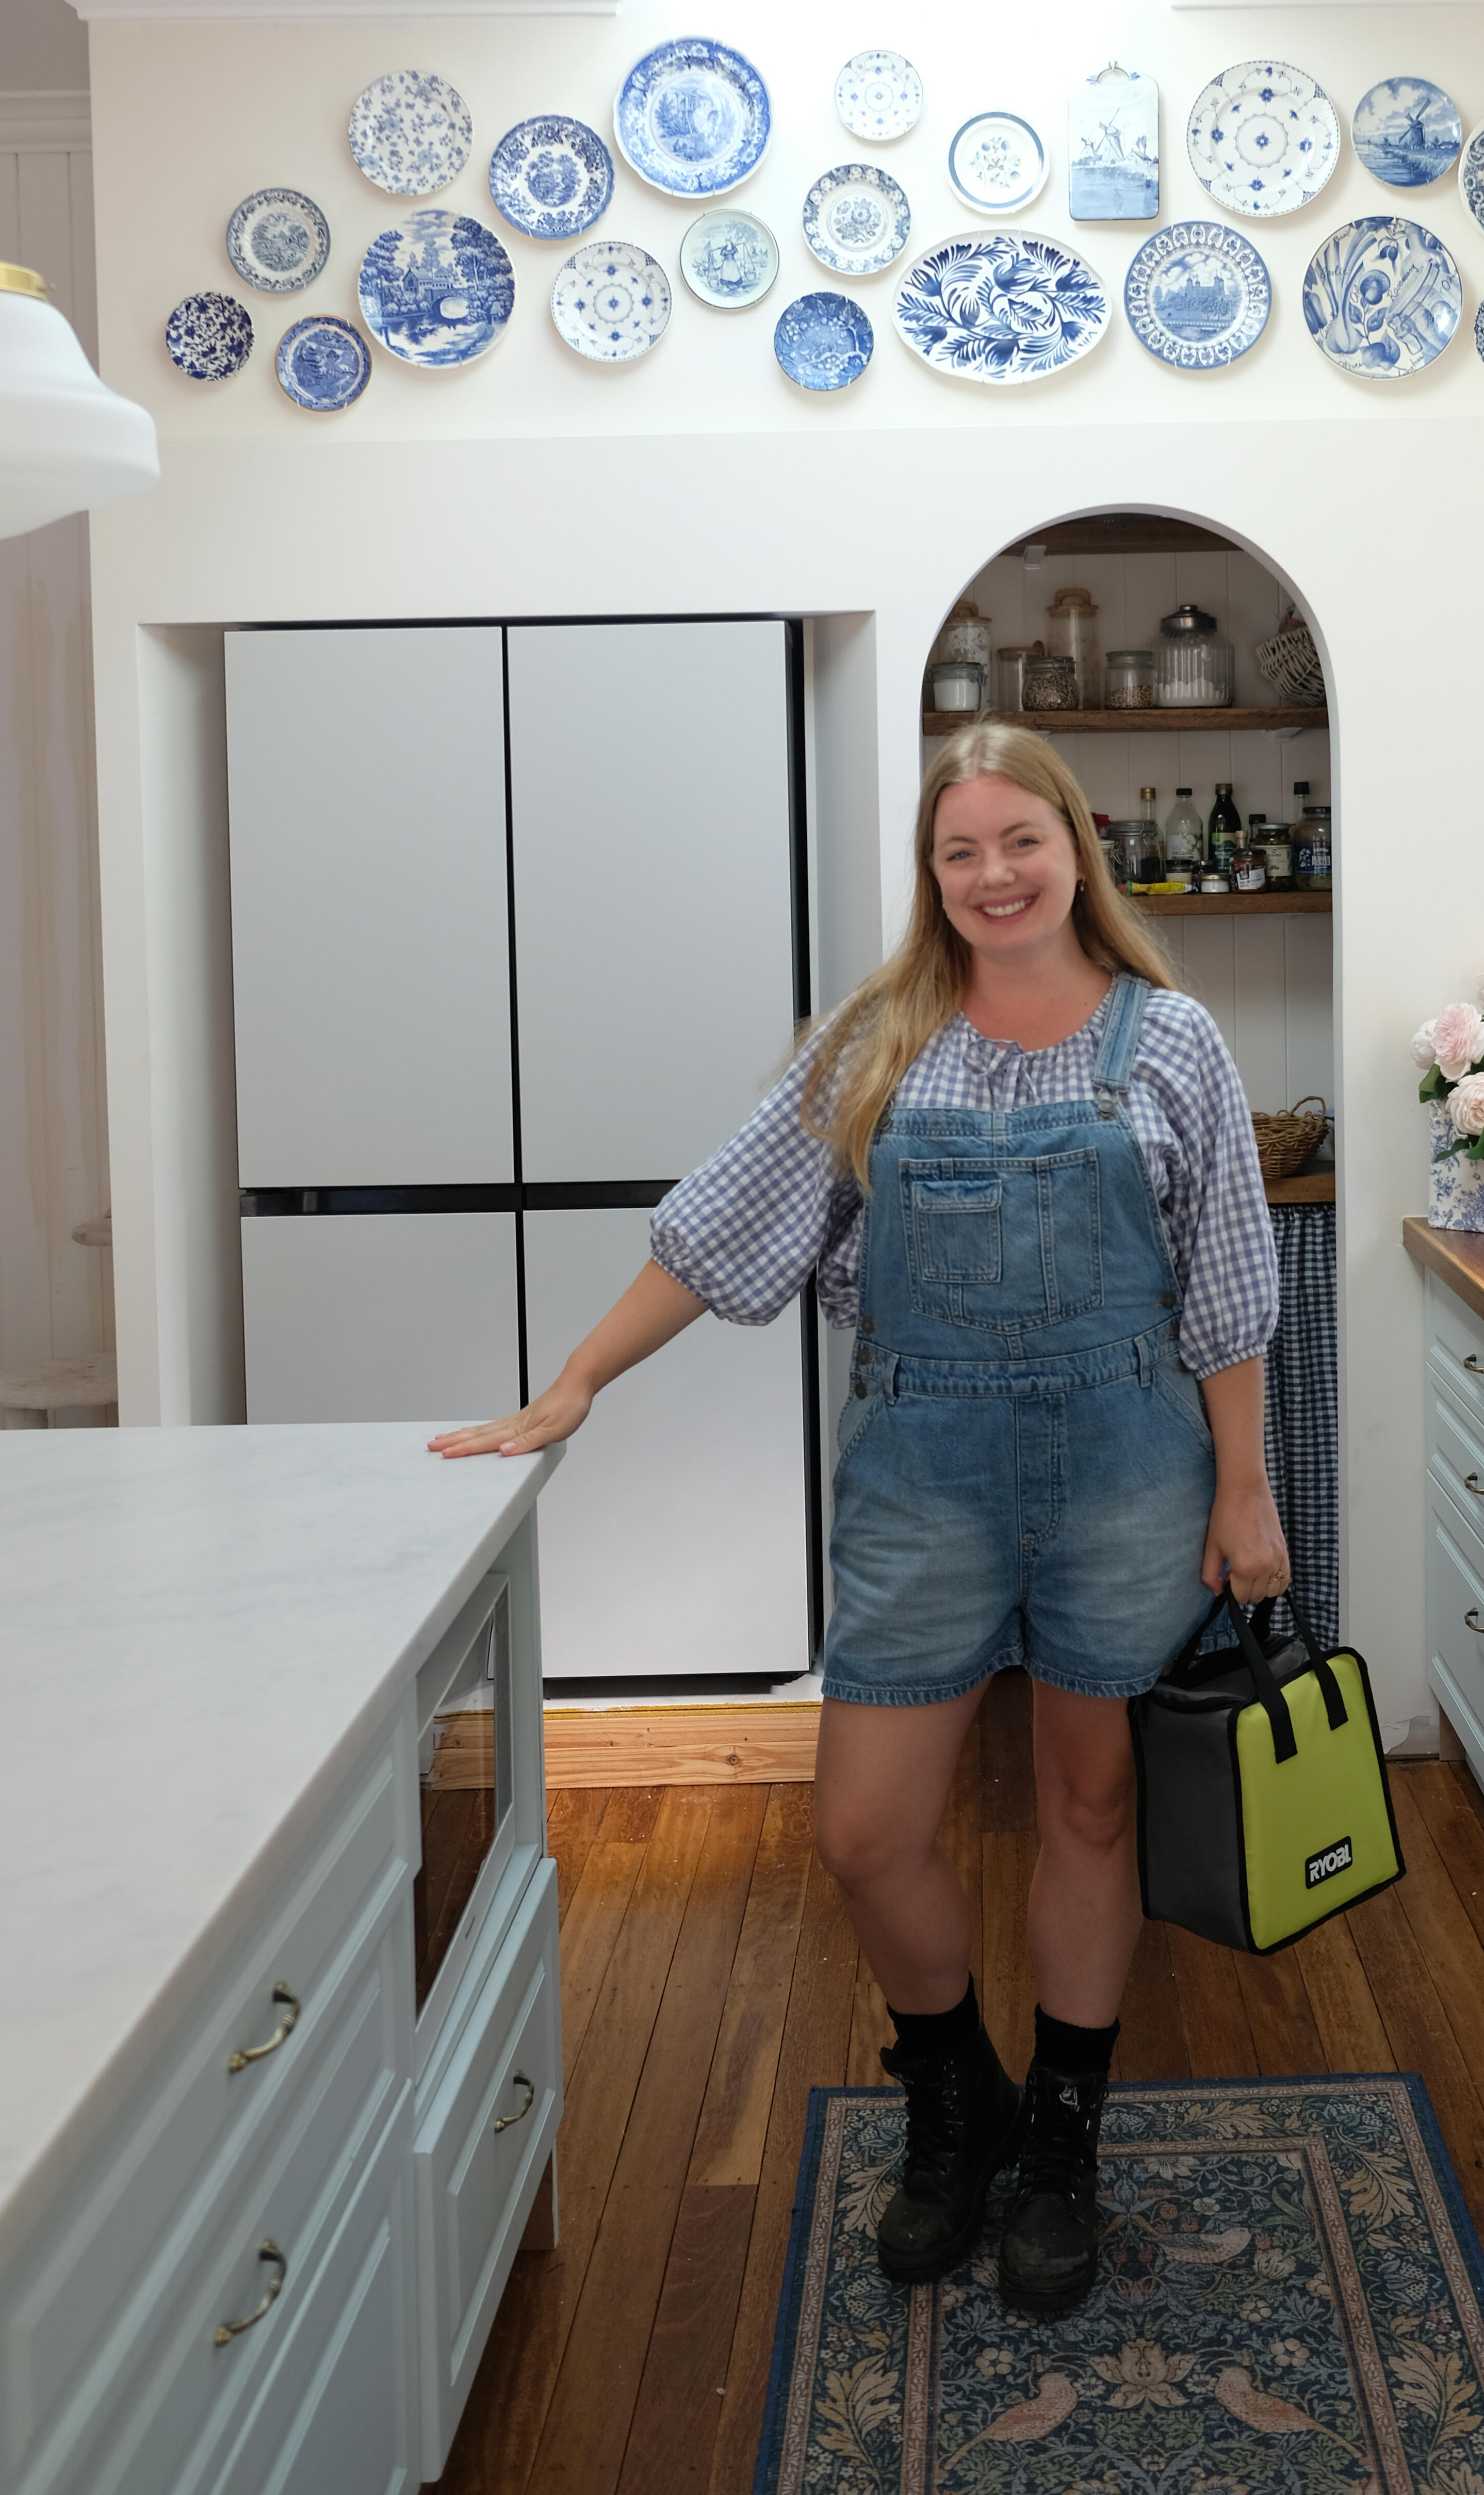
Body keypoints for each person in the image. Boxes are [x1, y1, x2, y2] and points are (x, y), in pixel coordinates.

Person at [432, 720, 1287, 2314]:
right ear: (930, 872)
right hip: (924, 1478)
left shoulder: (1172, 1041)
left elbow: (1229, 1282)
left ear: (1076, 847)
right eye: (960, 852)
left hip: (1131, 1469)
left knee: (1092, 1804)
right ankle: (957, 2100)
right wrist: (576, 1383)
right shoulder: (875, 1044)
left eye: (1020, 841)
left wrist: (1247, 1491)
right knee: (864, 1832)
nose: (993, 875)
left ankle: (1064, 2137)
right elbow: (721, 1230)